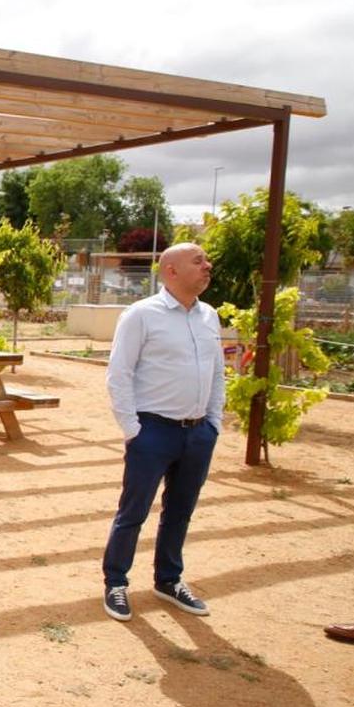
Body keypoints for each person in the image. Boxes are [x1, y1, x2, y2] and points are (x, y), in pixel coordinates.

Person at [102, 242, 224, 622]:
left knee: (180, 511)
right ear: (170, 270)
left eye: (205, 260)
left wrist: (213, 422)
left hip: (197, 432)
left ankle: (168, 580)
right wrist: (133, 430)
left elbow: (218, 372)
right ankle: (116, 582)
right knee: (133, 511)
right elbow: (119, 374)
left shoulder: (209, 316)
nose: (207, 266)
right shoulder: (141, 315)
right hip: (153, 431)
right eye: (198, 261)